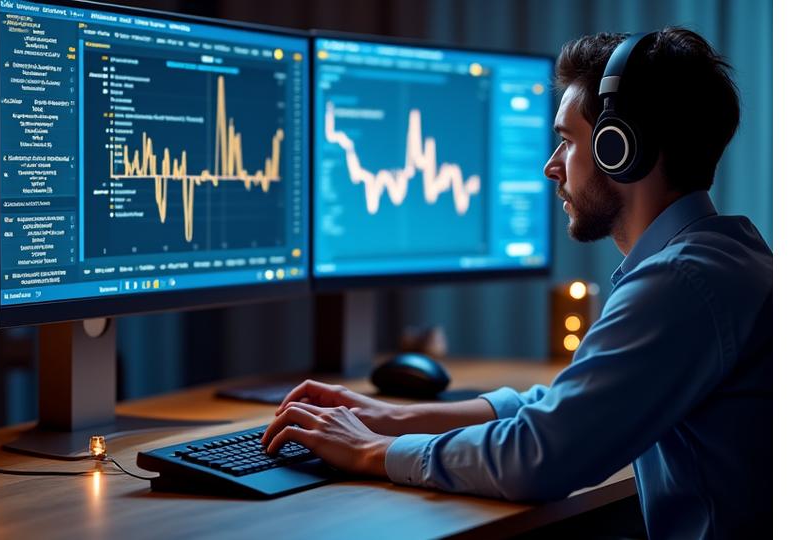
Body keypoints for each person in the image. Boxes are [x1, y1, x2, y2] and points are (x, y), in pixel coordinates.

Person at [261, 27, 772, 538]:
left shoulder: (680, 283)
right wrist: (392, 418)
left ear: (622, 148)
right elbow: (564, 410)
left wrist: (371, 450)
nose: (551, 167)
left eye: (567, 141)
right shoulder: (724, 256)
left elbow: (539, 457)